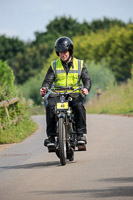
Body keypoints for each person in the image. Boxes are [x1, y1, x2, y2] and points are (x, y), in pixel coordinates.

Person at [40, 36, 91, 148]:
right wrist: (44, 88)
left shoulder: (80, 64)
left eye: (64, 52)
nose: (62, 54)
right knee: (50, 107)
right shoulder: (54, 65)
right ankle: (51, 138)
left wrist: (86, 88)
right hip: (57, 93)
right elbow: (48, 80)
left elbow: (86, 79)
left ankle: (80, 135)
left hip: (74, 93)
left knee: (79, 106)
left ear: (70, 51)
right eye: (60, 52)